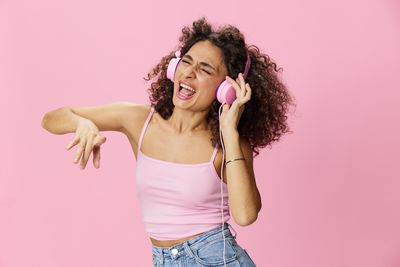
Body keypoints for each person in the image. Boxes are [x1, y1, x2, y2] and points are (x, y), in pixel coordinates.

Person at [41, 17, 295, 267]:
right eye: (186, 62)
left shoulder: (229, 144)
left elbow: (246, 215)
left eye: (205, 69)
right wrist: (81, 123)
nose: (190, 73)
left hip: (218, 260)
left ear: (225, 89)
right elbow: (51, 119)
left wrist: (229, 133)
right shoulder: (138, 120)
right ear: (174, 68)